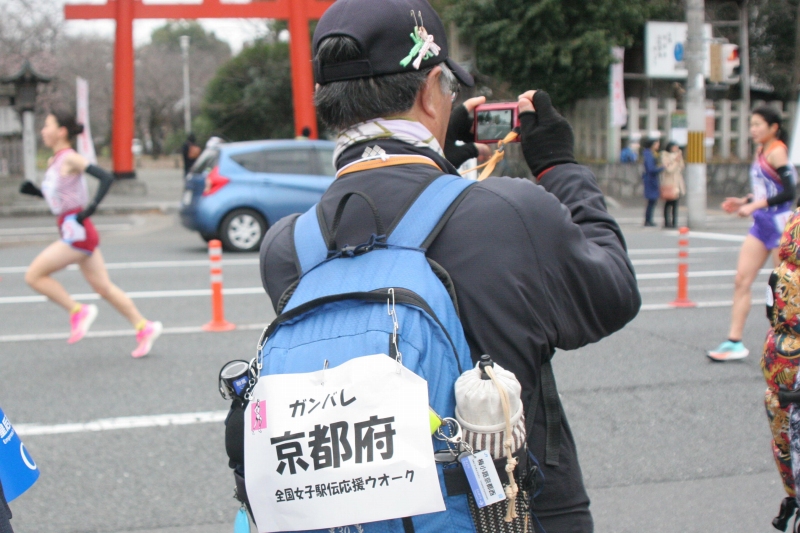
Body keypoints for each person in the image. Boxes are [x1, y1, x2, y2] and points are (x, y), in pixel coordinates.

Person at [258, 0, 641, 529]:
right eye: (448, 88)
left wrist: (446, 158)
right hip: (513, 517)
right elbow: (614, 292)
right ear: (428, 91)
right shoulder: (510, 213)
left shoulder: (287, 248)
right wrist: (560, 166)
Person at [19, 109, 162, 358]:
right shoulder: (55, 161)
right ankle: (144, 326)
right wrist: (35, 192)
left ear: (61, 131)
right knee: (103, 287)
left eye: (47, 125)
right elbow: (60, 196)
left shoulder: (70, 158)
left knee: (34, 276)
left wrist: (89, 210)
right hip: (73, 228)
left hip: (77, 232)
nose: (43, 130)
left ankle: (77, 311)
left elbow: (105, 177)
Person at [707, 106, 797, 361]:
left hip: (780, 226)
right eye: (752, 124)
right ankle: (734, 341)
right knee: (741, 280)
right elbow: (767, 189)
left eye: (758, 124)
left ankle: (787, 343)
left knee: (784, 288)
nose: (753, 129)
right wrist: (743, 200)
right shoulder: (761, 151)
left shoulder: (778, 151)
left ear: (773, 128)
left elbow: (789, 192)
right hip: (761, 225)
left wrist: (754, 205)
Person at [660, 141, 685, 228]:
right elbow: (669, 169)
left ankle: (674, 222)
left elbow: (681, 167)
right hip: (669, 182)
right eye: (675, 147)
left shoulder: (677, 155)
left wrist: (679, 159)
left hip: (677, 183)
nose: (676, 148)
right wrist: (675, 161)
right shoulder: (665, 156)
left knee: (675, 203)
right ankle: (667, 222)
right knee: (668, 202)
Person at [641, 138, 663, 227]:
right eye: (656, 144)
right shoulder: (649, 154)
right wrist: (662, 167)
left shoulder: (649, 153)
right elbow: (651, 169)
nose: (658, 145)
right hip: (651, 180)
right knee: (651, 200)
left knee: (652, 201)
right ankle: (648, 220)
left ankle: (648, 219)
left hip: (650, 179)